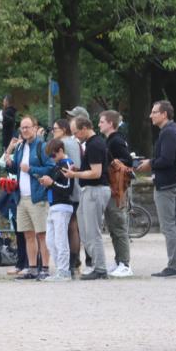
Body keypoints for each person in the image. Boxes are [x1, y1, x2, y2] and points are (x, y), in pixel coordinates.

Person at [138, 101, 176, 277]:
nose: (151, 115)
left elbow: (166, 160)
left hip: (166, 185)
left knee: (169, 226)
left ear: (164, 114)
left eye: (154, 112)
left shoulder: (168, 132)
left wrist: (149, 164)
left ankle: (174, 266)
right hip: (175, 183)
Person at [63, 116, 111, 280]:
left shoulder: (95, 144)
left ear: (84, 128)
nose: (75, 136)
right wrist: (79, 169)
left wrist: (74, 173)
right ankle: (96, 266)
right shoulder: (91, 144)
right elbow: (91, 169)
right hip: (89, 189)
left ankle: (100, 268)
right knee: (85, 230)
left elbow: (96, 172)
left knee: (93, 231)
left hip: (95, 189)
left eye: (76, 132)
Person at [5, 115, 50, 280]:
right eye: (22, 128)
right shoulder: (19, 147)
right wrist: (11, 164)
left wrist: (30, 169)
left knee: (42, 234)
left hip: (37, 197)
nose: (24, 130)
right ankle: (32, 268)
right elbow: (17, 168)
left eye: (27, 127)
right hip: (21, 197)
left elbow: (51, 168)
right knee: (28, 235)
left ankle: (44, 268)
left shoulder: (42, 146)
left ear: (35, 127)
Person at [99, 110, 134, 277]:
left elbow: (127, 161)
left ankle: (125, 264)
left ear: (110, 124)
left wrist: (115, 163)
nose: (99, 124)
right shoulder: (110, 140)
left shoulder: (116, 140)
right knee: (113, 227)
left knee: (119, 226)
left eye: (102, 122)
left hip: (117, 188)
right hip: (112, 188)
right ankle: (119, 260)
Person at [39, 138, 75, 281]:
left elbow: (68, 189)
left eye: (53, 155)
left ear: (61, 151)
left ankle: (64, 271)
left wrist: (51, 183)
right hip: (53, 205)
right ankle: (61, 269)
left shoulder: (67, 164)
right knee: (50, 241)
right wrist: (47, 183)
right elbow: (56, 185)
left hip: (63, 206)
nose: (52, 159)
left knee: (60, 240)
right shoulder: (58, 165)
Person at [51, 118, 84, 272]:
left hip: (69, 189)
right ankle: (75, 261)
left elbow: (70, 166)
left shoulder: (64, 144)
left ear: (64, 130)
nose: (53, 132)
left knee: (71, 226)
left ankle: (73, 261)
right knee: (74, 226)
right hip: (76, 187)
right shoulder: (75, 143)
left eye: (55, 129)